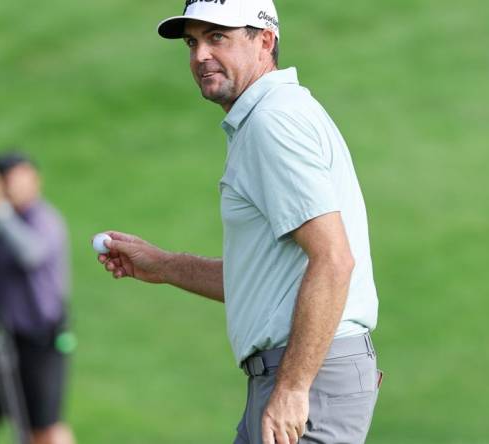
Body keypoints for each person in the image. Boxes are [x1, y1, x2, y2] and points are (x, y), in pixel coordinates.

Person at [96, 1, 382, 443]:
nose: (199, 56)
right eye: (193, 42)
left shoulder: (273, 123)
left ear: (265, 40)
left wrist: (292, 388)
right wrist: (163, 265)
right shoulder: (270, 117)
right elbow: (266, 282)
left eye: (218, 37)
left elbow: (333, 259)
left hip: (307, 377)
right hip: (294, 373)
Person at [0, 152, 75, 444]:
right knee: (21, 424)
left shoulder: (44, 219)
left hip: (42, 338)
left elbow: (31, 253)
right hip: (11, 338)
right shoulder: (3, 225)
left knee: (46, 425)